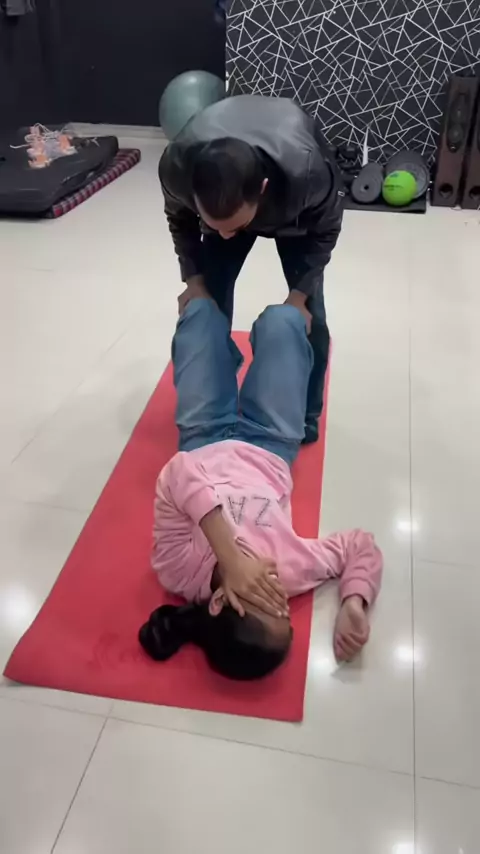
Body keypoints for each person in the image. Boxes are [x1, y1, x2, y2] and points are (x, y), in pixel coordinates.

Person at [139, 296, 383, 680]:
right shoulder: (290, 570)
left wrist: (231, 559)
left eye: (265, 602)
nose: (279, 593)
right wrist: (354, 602)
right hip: (270, 442)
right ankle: (286, 319)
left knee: (200, 315)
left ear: (219, 601)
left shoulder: (177, 570)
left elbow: (178, 473)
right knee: (283, 321)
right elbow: (359, 545)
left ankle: (215, 330)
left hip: (203, 435)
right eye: (284, 608)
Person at [158, 94, 344, 444]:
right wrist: (194, 279)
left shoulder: (308, 171)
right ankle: (216, 397)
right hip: (236, 195)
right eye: (217, 226)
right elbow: (179, 220)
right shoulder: (177, 166)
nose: (228, 236)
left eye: (235, 226)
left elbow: (326, 230)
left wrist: (299, 295)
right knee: (205, 306)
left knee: (309, 317)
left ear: (262, 189)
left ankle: (305, 415)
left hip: (295, 211)